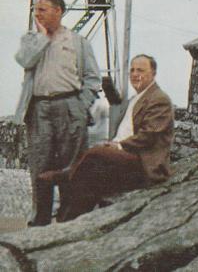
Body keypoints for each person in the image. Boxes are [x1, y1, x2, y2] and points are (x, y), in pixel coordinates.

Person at [39, 54, 174, 221]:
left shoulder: (159, 99)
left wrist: (119, 146)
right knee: (90, 177)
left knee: (96, 153)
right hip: (128, 159)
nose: (134, 74)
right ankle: (68, 221)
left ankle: (65, 177)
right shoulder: (136, 99)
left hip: (144, 164)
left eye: (140, 70)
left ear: (153, 73)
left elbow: (149, 135)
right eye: (132, 70)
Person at [13, 0, 101, 226]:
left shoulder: (78, 42)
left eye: (42, 9)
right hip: (39, 108)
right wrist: (42, 38)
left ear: (58, 11)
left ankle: (68, 220)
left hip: (70, 106)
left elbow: (93, 78)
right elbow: (25, 60)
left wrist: (81, 106)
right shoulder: (31, 39)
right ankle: (40, 220)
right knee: (39, 165)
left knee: (71, 166)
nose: (37, 14)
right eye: (36, 9)